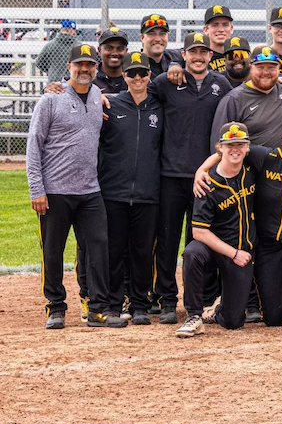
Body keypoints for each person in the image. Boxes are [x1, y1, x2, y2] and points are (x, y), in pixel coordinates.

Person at [192, 115, 282, 332]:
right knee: (274, 317)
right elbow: (230, 150)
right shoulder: (267, 157)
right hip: (270, 244)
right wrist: (201, 170)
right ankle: (225, 305)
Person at [28, 43, 119, 329]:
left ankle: (98, 308)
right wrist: (37, 189)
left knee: (97, 249)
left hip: (89, 189)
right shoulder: (51, 99)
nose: (84, 69)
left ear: (96, 68)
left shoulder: (96, 96)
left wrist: (103, 96)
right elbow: (34, 145)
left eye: (90, 65)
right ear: (69, 67)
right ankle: (55, 306)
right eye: (79, 65)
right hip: (55, 190)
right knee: (53, 250)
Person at [150, 33, 234, 324]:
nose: (198, 57)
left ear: (211, 55)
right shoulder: (166, 82)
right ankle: (167, 300)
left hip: (206, 177)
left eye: (203, 52)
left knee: (198, 244)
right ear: (183, 54)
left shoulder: (220, 84)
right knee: (168, 241)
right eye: (192, 52)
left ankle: (201, 299)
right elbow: (134, 93)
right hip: (172, 175)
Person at [98, 52, 162, 326]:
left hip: (148, 193)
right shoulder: (109, 104)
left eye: (143, 73)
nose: (137, 78)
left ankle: (139, 304)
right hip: (114, 191)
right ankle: (113, 304)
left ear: (150, 75)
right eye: (131, 73)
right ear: (123, 76)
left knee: (142, 251)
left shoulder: (159, 106)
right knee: (114, 251)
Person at [177, 122, 256, 337]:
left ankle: (219, 309)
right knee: (192, 253)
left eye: (240, 144)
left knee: (233, 321)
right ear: (219, 147)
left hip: (242, 247)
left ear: (248, 147)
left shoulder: (252, 168)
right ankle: (194, 314)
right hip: (217, 248)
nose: (235, 149)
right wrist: (234, 253)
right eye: (229, 144)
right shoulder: (206, 182)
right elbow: (199, 232)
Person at [210, 47, 282, 149]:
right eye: (260, 67)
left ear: (279, 69)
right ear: (251, 68)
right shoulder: (234, 99)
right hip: (248, 163)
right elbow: (218, 144)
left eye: (271, 67)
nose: (266, 72)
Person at [35, 20, 79, 84]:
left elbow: (39, 63)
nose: (75, 33)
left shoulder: (50, 45)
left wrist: (51, 70)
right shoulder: (78, 46)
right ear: (71, 30)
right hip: (73, 82)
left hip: (54, 82)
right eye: (75, 31)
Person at [94, 26, 129, 94]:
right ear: (99, 50)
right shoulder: (91, 79)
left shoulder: (134, 79)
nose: (115, 53)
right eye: (109, 48)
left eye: (120, 49)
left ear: (126, 51)